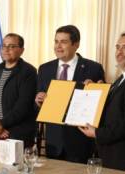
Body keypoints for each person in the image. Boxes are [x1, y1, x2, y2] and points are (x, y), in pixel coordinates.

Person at [78, 32, 125, 171]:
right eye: (117, 47)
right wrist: (97, 90)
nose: (119, 52)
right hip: (113, 153)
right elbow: (117, 104)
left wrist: (97, 133)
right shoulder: (124, 77)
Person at [35, 25, 105, 163]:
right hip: (53, 142)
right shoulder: (44, 69)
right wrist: (38, 101)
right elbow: (38, 103)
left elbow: (101, 106)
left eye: (64, 42)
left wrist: (95, 90)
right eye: (56, 41)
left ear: (76, 44)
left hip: (80, 141)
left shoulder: (93, 68)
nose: (58, 46)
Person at [0, 33, 37, 148]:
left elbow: (23, 106)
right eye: (4, 46)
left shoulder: (28, 72)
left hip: (17, 133)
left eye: (12, 46)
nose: (6, 50)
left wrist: (2, 124)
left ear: (22, 50)